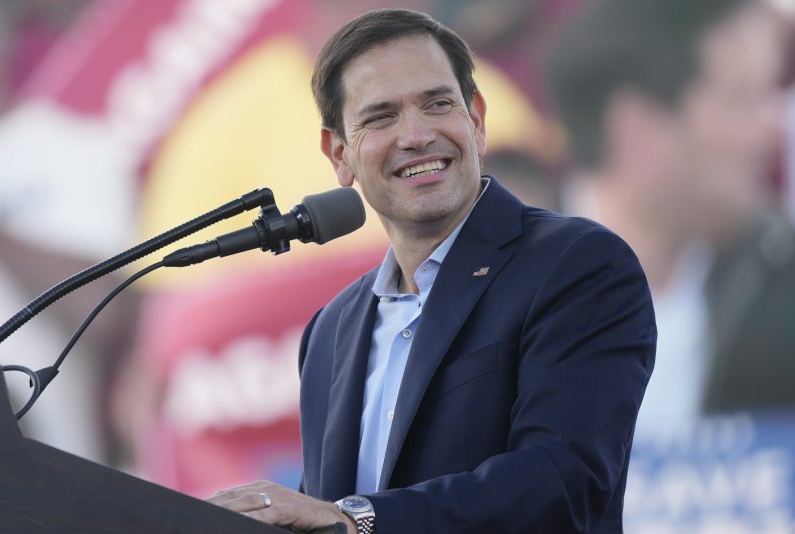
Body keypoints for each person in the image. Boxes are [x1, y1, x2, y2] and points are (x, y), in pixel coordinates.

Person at [207, 8, 656, 533]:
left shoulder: (577, 265)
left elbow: (562, 480)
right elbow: (324, 520)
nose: (416, 135)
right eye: (380, 116)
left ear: (478, 120)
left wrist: (360, 520)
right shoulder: (329, 332)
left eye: (438, 104)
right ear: (339, 155)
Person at [544, 0, 790, 442]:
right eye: (741, 99)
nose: (772, 127)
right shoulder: (483, 297)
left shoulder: (779, 286)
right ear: (637, 128)